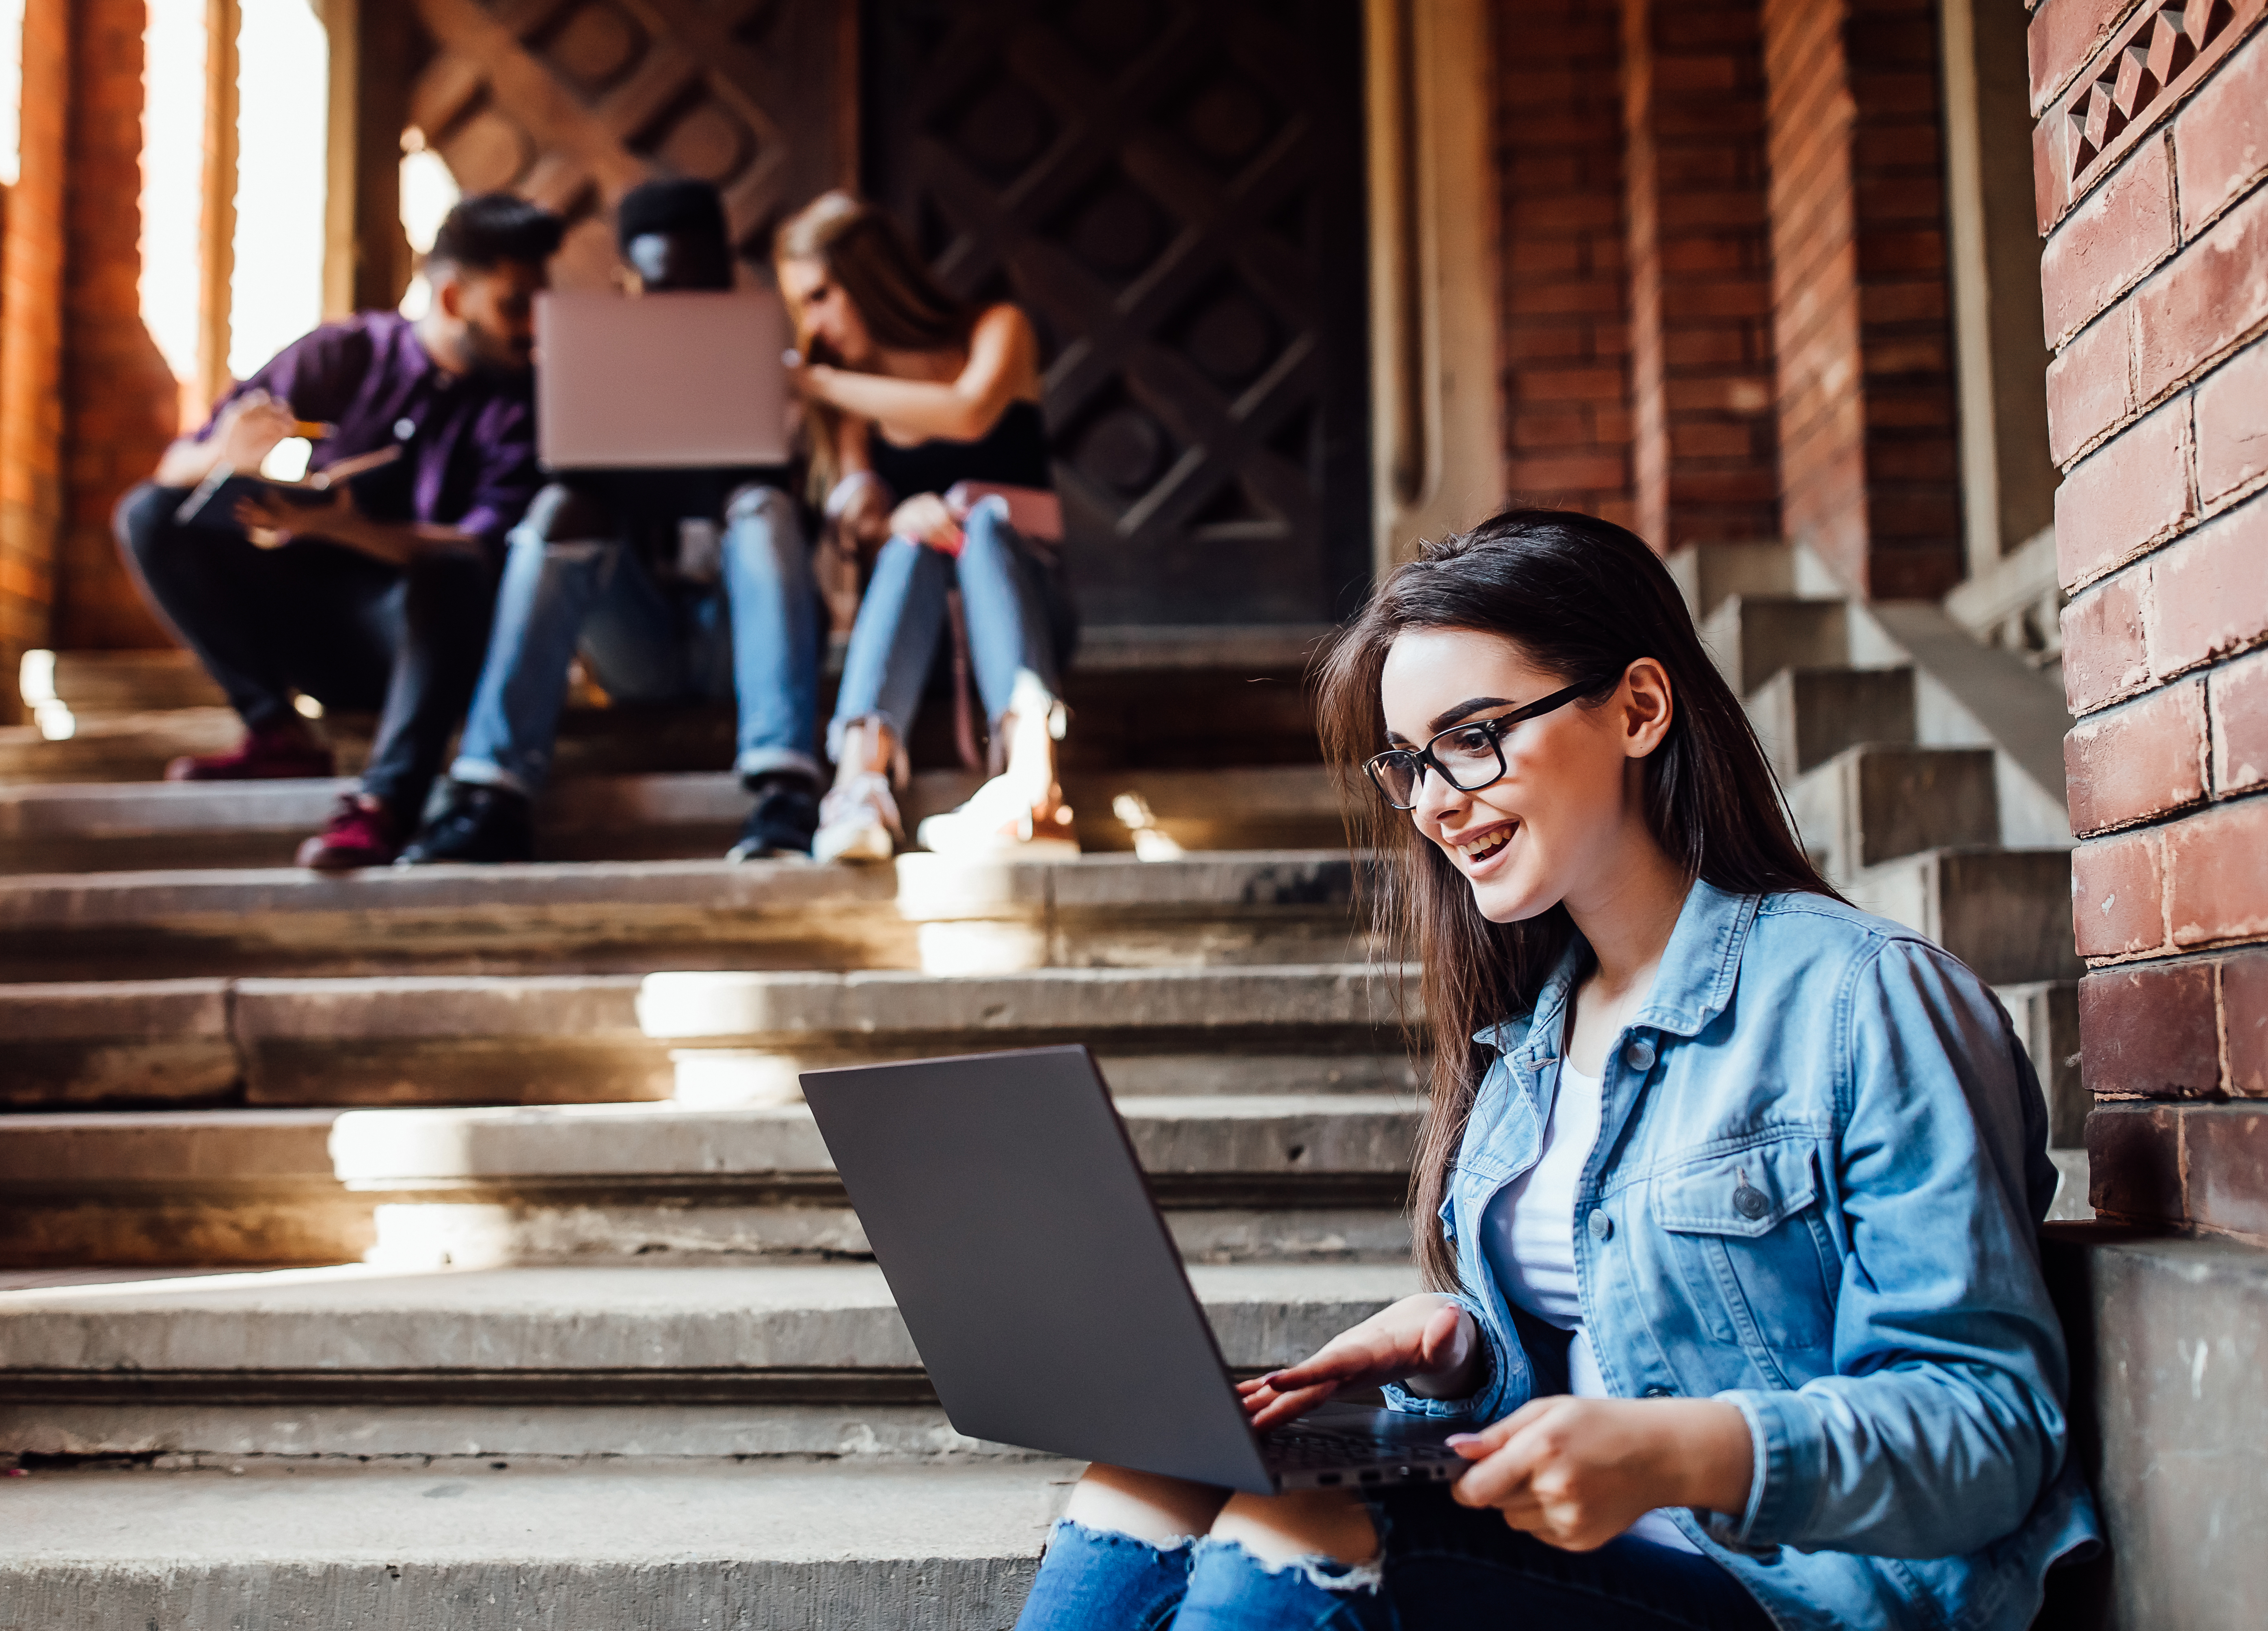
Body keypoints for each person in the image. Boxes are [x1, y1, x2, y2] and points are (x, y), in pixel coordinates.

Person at [1014, 510, 2100, 1629]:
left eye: (1475, 736)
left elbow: (1990, 1428)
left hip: (1802, 1587)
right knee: (1142, 1479)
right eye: (1409, 762)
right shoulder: (1531, 1036)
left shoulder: (1863, 996)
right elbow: (1619, 1336)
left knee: (1297, 1526)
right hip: (1581, 1555)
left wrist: (1685, 1449)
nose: (1434, 801)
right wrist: (1464, 1351)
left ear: (1638, 708)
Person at [115, 193, 562, 869]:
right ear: (450, 299)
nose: (533, 328)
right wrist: (226, 459)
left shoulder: (526, 403)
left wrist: (348, 528)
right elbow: (175, 466)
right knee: (150, 514)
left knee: (449, 570)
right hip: (310, 622)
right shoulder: (344, 354)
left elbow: (481, 548)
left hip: (432, 645)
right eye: (514, 305)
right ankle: (275, 732)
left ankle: (385, 804)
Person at [400, 179, 825, 865]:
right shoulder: (582, 373)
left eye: (697, 290)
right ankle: (492, 794)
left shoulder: (787, 377)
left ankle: (786, 791)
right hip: (639, 643)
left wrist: (770, 442)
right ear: (631, 285)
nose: (679, 309)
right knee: (557, 508)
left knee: (762, 505)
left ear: (726, 280)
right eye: (662, 290)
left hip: (738, 639)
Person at [775, 191, 1078, 863]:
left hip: (1028, 617)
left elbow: (968, 412)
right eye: (801, 306)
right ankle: (860, 783)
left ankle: (1036, 786)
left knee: (985, 526)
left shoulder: (997, 330)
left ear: (872, 279)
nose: (813, 325)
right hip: (924, 641)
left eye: (821, 295)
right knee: (916, 540)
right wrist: (892, 517)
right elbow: (870, 524)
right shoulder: (854, 403)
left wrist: (817, 385)